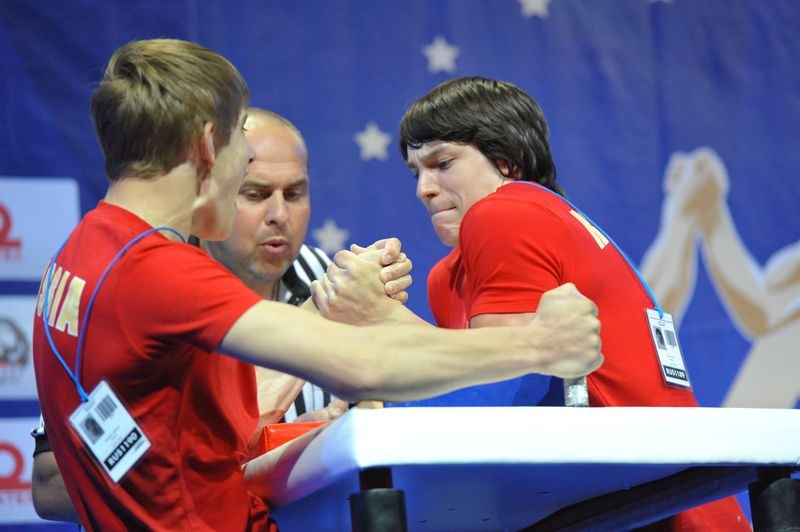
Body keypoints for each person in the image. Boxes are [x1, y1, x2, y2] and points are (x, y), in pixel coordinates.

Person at [33, 41, 602, 530]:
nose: (246, 184)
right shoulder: (157, 270)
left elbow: (172, 431)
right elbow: (359, 365)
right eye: (245, 157)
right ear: (210, 145)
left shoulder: (83, 252)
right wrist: (541, 344)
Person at [313, 77, 749, 530]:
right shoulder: (449, 276)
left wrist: (379, 322)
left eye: (442, 163)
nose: (424, 188)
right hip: (606, 504)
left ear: (507, 160)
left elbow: (501, 391)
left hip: (661, 510)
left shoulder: (506, 212)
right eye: (415, 171)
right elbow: (486, 394)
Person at [29, 107, 399, 522]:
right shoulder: (135, 288)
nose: (280, 215)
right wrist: (278, 449)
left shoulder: (333, 277)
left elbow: (399, 430)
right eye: (255, 193)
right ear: (216, 184)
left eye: (294, 194)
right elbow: (49, 485)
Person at [641, 147, 800, 408]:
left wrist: (685, 213)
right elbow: (763, 309)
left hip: (759, 440)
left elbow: (766, 313)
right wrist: (701, 210)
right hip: (751, 441)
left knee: (784, 343)